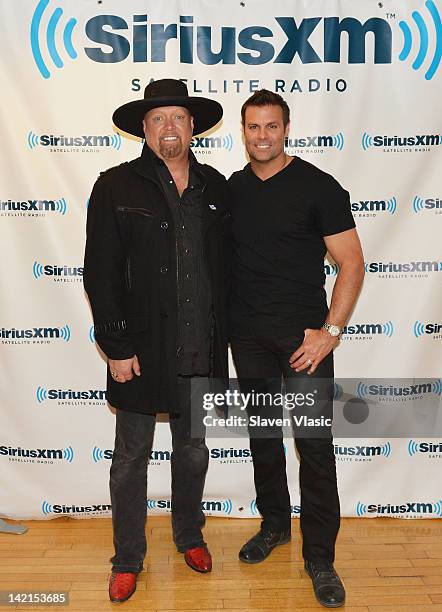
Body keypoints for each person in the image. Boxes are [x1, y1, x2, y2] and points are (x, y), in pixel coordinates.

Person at [83, 79, 230, 603]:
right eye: (158, 118)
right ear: (143, 129)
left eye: (179, 117)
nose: (170, 127)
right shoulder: (115, 185)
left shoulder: (216, 187)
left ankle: (189, 536)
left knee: (192, 452)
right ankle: (127, 558)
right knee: (130, 460)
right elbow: (99, 273)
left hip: (201, 346)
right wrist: (116, 347)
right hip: (139, 352)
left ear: (194, 126)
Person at [228, 90, 364, 609]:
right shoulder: (233, 189)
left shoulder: (318, 186)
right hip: (249, 340)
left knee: (313, 447)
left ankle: (321, 559)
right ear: (243, 131)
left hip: (304, 343)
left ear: (287, 129)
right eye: (253, 127)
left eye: (271, 127)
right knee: (263, 439)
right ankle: (274, 527)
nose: (262, 136)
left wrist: (329, 332)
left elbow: (351, 262)